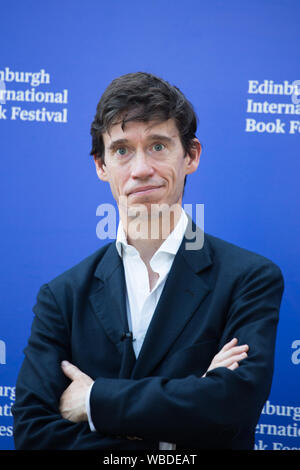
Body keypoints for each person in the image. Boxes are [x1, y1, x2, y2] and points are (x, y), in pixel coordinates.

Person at [12, 72, 284, 450]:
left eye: (158, 146)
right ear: (101, 165)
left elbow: (232, 407)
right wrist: (169, 441)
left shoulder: (249, 279)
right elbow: (34, 434)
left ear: (191, 155)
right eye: (122, 150)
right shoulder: (62, 296)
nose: (140, 169)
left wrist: (94, 402)